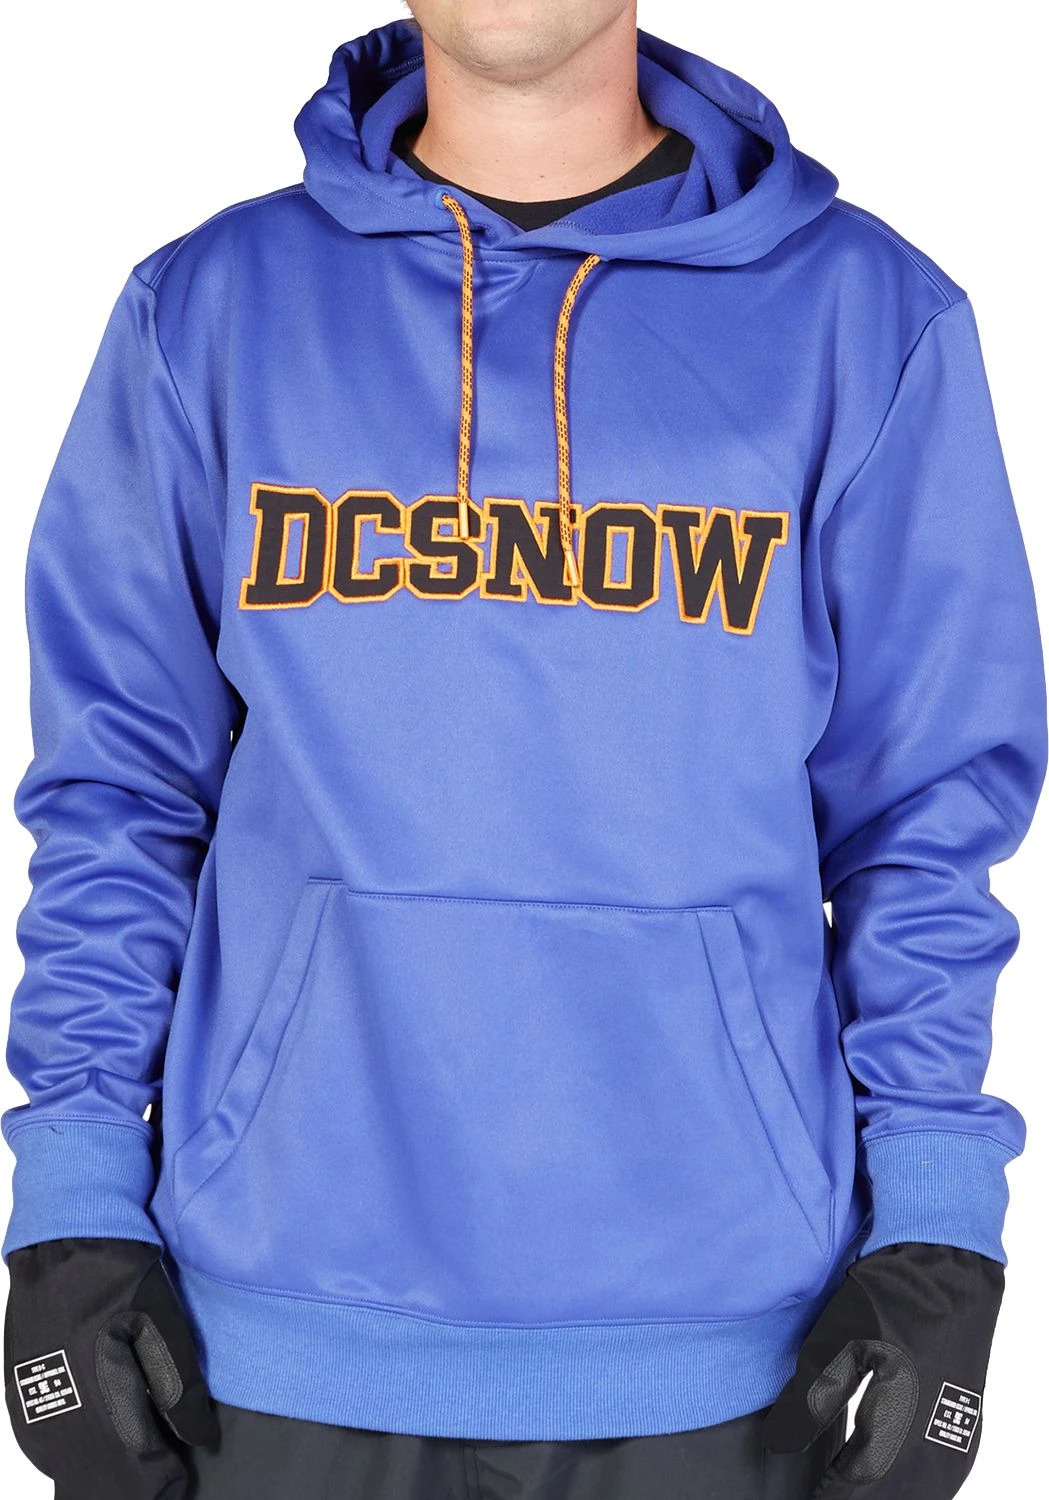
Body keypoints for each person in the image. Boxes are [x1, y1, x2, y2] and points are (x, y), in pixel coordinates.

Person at [2, 4, 1045, 1498]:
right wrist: (73, 1197)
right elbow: (118, 793)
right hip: (272, 1338)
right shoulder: (211, 308)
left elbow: (927, 817)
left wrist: (941, 1224)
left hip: (726, 1349)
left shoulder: (867, 320)